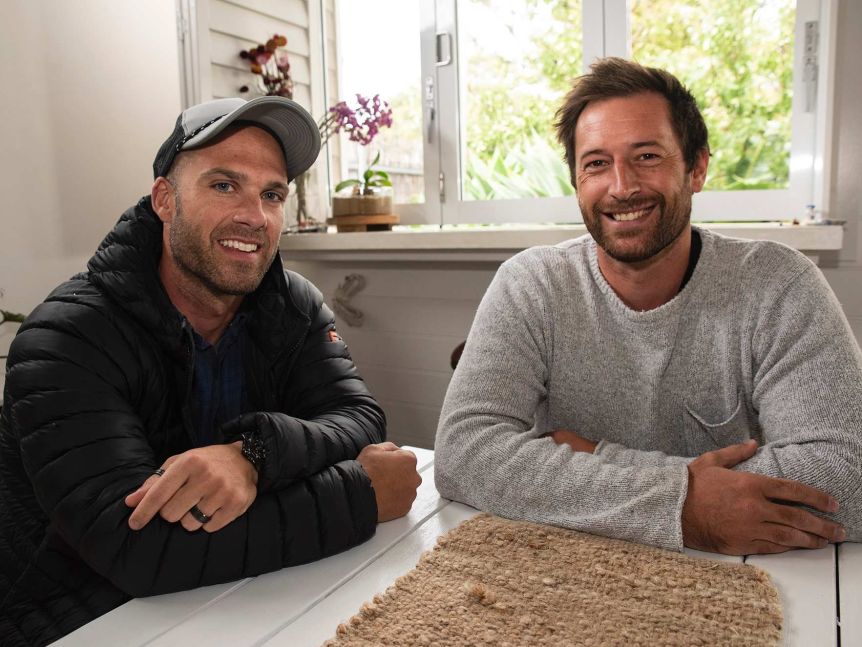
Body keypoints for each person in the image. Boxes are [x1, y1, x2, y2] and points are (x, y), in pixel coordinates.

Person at [0, 96, 421, 646]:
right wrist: (360, 495)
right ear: (164, 200)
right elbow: (138, 551)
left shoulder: (292, 303)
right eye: (225, 185)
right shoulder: (66, 338)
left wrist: (254, 456)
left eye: (272, 195)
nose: (254, 216)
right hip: (79, 616)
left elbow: (358, 416)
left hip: (242, 597)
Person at [435, 57, 862, 557]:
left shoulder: (779, 284)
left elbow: (849, 476)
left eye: (647, 156)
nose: (621, 187)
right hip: (564, 566)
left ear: (697, 167)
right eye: (596, 163)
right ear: (576, 180)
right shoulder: (530, 283)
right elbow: (464, 454)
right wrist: (684, 505)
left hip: (738, 573)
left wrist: (601, 457)